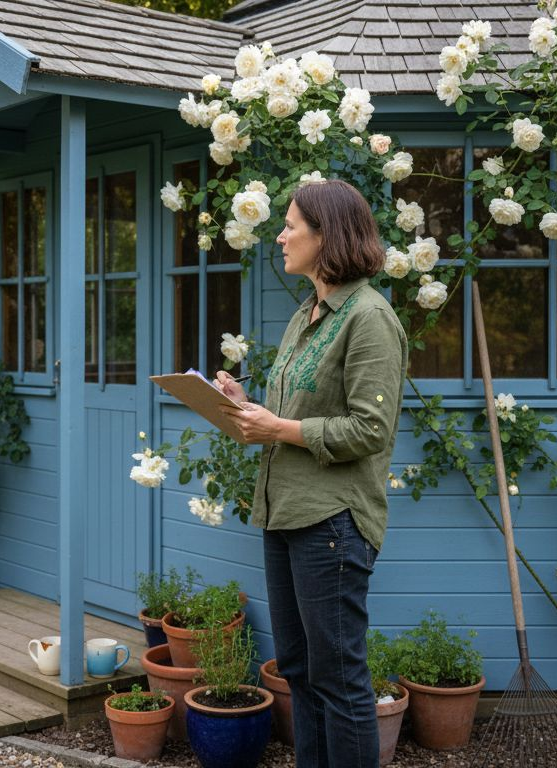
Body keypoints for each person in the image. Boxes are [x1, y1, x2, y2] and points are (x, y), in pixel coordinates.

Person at [213, 178, 408, 768]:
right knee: (299, 669)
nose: (280, 234)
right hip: (286, 513)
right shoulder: (309, 313)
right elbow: (294, 411)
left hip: (334, 523)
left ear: (327, 236)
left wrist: (277, 429)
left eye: (291, 224)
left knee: (340, 676)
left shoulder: (370, 318)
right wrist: (239, 407)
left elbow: (371, 430)